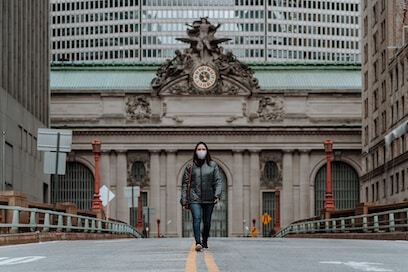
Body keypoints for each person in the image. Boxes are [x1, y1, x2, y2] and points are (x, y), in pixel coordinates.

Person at [180, 142, 223, 251]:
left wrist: (217, 195)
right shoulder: (190, 166)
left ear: (207, 151)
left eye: (203, 149)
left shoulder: (213, 165)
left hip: (209, 198)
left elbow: (218, 181)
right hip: (194, 197)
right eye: (199, 149)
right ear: (195, 151)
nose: (201, 151)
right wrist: (184, 199)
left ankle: (204, 240)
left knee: (207, 221)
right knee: (196, 219)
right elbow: (185, 183)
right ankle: (198, 242)